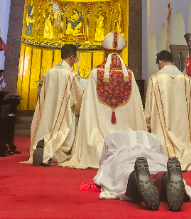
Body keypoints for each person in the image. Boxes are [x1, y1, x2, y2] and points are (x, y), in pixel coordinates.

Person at [61, 32, 147, 169]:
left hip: (97, 137)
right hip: (126, 138)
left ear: (105, 54)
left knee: (97, 139)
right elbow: (136, 107)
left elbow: (88, 105)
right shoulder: (129, 74)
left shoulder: (96, 73)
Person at [94, 131, 191, 212]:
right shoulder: (151, 137)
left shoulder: (112, 137)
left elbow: (104, 163)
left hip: (123, 155)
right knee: (159, 170)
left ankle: (135, 178)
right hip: (152, 155)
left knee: (125, 174)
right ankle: (166, 177)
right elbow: (161, 154)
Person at [29, 44, 83, 166]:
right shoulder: (71, 75)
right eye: (75, 58)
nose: (75, 61)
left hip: (48, 113)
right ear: (70, 57)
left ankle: (43, 146)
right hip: (65, 114)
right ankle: (50, 154)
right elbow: (79, 97)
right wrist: (80, 110)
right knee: (64, 139)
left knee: (49, 130)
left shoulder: (49, 72)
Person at [144, 50, 191, 171]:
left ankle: (167, 159)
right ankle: (187, 157)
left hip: (163, 128)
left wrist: (146, 125)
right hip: (183, 127)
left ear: (160, 63)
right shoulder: (186, 79)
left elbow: (148, 109)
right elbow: (190, 107)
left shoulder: (155, 79)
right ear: (173, 62)